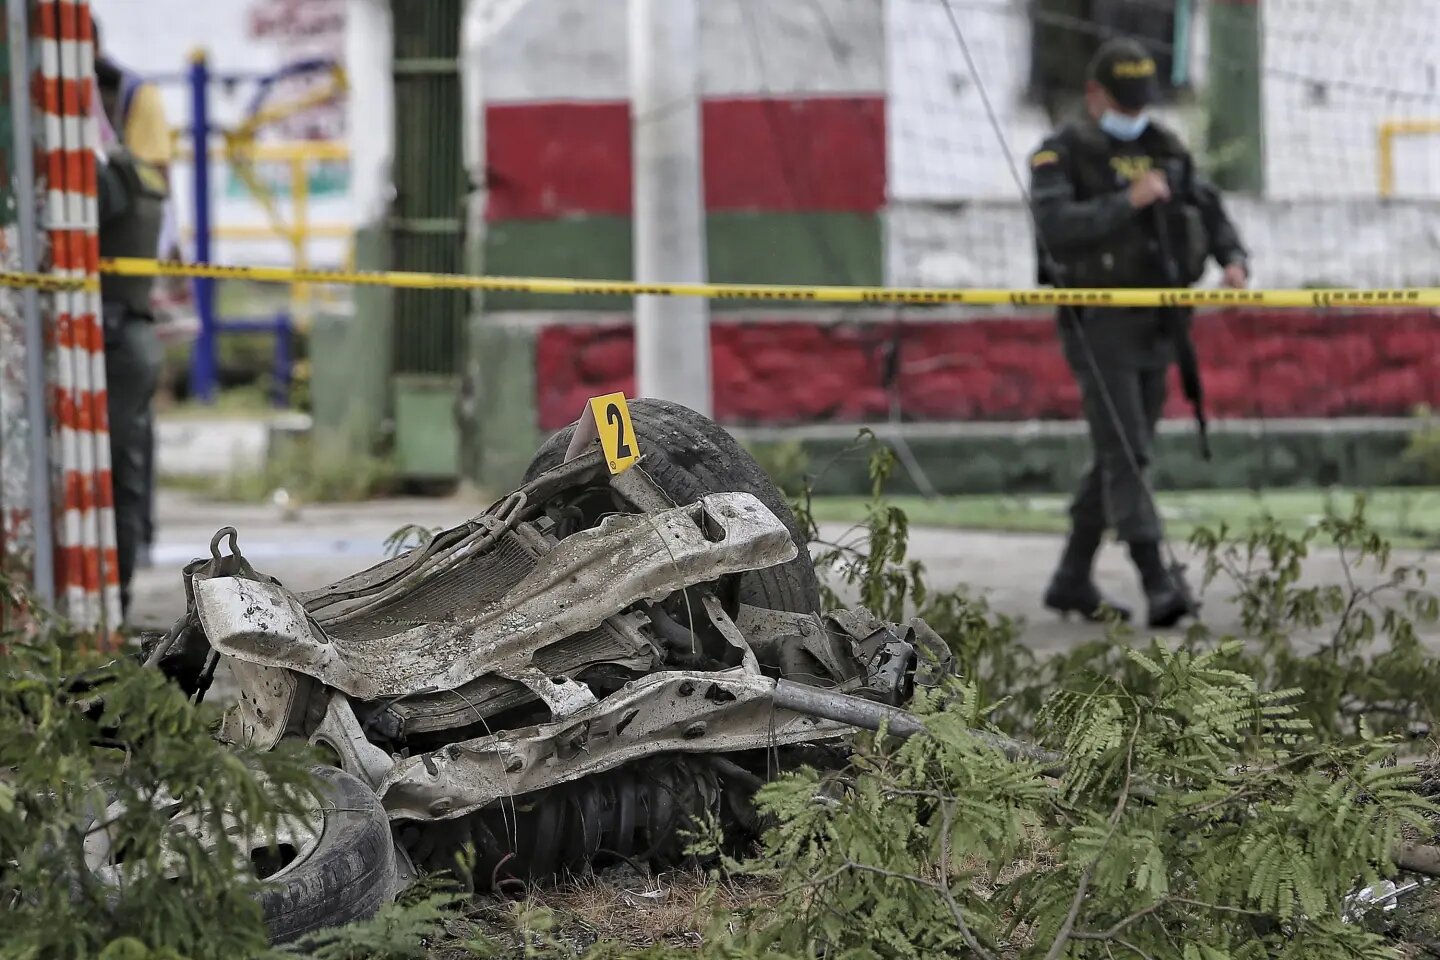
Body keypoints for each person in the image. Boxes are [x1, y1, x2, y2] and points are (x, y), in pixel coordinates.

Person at [1028, 37, 1250, 628]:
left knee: (1121, 451)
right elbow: (1054, 225)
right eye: (1123, 102)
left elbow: (1207, 206)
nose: (1134, 114)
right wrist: (1126, 200)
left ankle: (1072, 577)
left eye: (1140, 102)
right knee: (1127, 449)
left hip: (1160, 320)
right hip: (1098, 321)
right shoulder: (1063, 151)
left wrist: (1232, 257)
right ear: (1095, 93)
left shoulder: (1164, 145)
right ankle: (1158, 579)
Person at [94, 17, 180, 572]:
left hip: (124, 290)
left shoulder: (128, 94)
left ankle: (132, 550)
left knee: (123, 438)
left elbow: (153, 182)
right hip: (116, 300)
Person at [97, 139, 168, 618]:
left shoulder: (104, 178)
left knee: (109, 475)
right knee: (124, 474)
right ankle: (115, 598)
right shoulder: (140, 175)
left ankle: (108, 603)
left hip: (112, 341)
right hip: (134, 336)